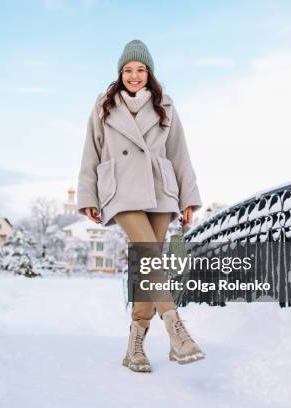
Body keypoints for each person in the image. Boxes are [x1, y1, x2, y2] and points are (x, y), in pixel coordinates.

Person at [76, 39, 205, 373]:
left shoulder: (165, 106)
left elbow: (179, 153)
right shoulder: (104, 105)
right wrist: (88, 197)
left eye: (140, 69)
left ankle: (135, 347)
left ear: (149, 73)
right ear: (120, 73)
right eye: (128, 70)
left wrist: (188, 198)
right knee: (148, 253)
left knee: (146, 263)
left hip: (161, 190)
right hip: (121, 190)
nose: (134, 76)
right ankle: (176, 329)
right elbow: (91, 151)